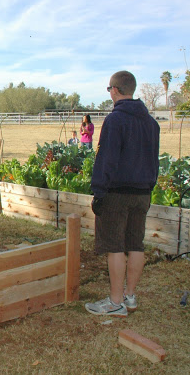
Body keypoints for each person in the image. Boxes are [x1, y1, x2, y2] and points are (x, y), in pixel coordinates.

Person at [84, 71, 160, 317]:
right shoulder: (151, 123)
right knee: (135, 244)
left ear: (114, 90)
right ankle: (129, 297)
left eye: (109, 90)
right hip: (143, 194)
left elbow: (106, 160)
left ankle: (115, 303)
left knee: (115, 246)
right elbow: (154, 161)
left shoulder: (115, 120)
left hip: (117, 193)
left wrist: (99, 192)